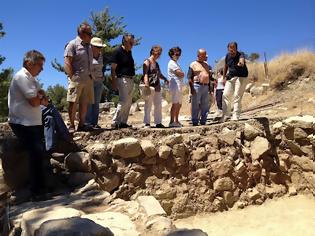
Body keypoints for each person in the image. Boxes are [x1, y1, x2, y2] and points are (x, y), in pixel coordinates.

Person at [8, 50, 48, 200]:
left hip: (32, 123)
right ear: (29, 63)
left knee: (38, 154)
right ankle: (37, 192)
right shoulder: (21, 77)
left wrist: (41, 97)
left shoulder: (32, 79)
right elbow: (35, 102)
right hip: (23, 123)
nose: (42, 69)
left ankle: (39, 189)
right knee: (36, 154)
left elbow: (45, 100)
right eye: (39, 65)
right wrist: (40, 97)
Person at [64, 22, 94, 132]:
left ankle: (81, 124)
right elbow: (67, 63)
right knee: (72, 102)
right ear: (82, 33)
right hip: (76, 78)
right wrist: (72, 77)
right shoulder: (72, 44)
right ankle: (71, 125)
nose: (92, 35)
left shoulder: (89, 47)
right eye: (90, 33)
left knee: (84, 103)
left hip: (87, 79)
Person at [111, 34, 136, 129]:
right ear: (124, 42)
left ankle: (123, 122)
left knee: (129, 102)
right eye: (130, 42)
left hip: (130, 79)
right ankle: (115, 122)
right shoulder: (117, 51)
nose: (132, 44)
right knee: (124, 100)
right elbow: (113, 68)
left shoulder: (129, 52)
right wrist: (113, 81)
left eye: (133, 43)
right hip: (122, 78)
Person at [141, 45, 169, 128]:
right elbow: (145, 74)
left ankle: (158, 122)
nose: (159, 54)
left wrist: (165, 79)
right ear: (153, 52)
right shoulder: (147, 61)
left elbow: (159, 74)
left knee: (158, 105)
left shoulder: (156, 64)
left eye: (160, 53)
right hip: (149, 86)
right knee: (148, 104)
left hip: (157, 86)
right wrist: (146, 85)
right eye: (158, 52)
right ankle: (147, 122)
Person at [221, 41, 248, 121]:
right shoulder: (227, 56)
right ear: (228, 49)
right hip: (230, 77)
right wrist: (223, 77)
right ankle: (226, 115)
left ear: (236, 49)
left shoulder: (241, 54)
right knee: (225, 94)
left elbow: (242, 60)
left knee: (237, 95)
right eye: (230, 49)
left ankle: (236, 115)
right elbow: (225, 66)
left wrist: (241, 63)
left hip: (241, 77)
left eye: (234, 49)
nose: (232, 51)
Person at [85, 37, 107, 129]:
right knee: (89, 102)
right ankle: (88, 123)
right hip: (90, 80)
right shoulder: (87, 55)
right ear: (92, 46)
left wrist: (102, 76)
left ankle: (95, 123)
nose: (100, 49)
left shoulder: (101, 55)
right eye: (98, 47)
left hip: (99, 81)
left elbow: (101, 67)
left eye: (100, 47)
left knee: (96, 102)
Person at [188, 49, 212, 126]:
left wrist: (210, 88)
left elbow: (209, 76)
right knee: (195, 104)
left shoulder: (207, 65)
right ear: (198, 55)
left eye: (205, 55)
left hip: (205, 86)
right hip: (197, 86)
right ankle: (195, 121)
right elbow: (189, 77)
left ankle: (203, 121)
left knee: (205, 105)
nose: (205, 56)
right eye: (203, 55)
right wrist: (192, 89)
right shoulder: (193, 64)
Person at [167, 47, 185, 128]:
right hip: (175, 86)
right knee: (175, 104)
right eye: (176, 54)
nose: (178, 56)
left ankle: (176, 121)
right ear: (172, 54)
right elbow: (180, 74)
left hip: (179, 86)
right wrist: (182, 73)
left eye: (179, 54)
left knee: (179, 104)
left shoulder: (176, 63)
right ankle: (171, 122)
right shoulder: (171, 63)